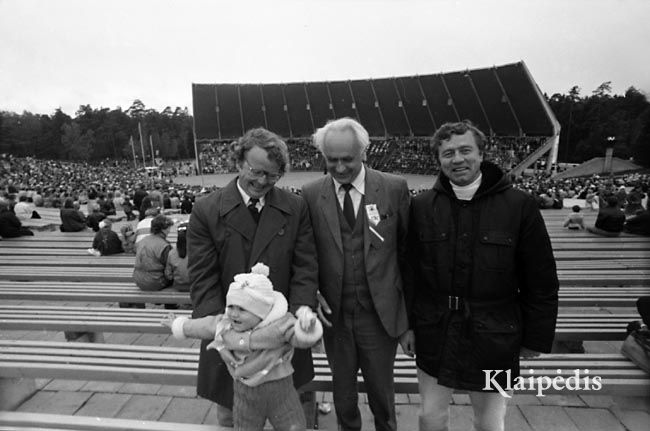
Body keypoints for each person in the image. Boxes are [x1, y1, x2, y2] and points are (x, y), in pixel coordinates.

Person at [405, 121, 559, 431]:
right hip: (435, 329)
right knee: (430, 417)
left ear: (481, 154)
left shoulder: (519, 205)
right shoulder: (421, 206)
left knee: (490, 421)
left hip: (496, 334)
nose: (457, 159)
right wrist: (406, 325)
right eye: (448, 153)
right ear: (438, 159)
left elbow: (540, 278)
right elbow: (410, 273)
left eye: (465, 150)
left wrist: (535, 338)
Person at [188, 127, 318, 426]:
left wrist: (297, 322)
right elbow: (202, 280)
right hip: (229, 336)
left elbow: (306, 269)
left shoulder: (295, 207)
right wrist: (223, 336)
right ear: (238, 162)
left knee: (295, 415)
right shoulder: (206, 210)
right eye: (255, 171)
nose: (262, 181)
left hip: (282, 336)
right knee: (231, 417)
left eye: (272, 176)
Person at [301, 117, 412, 431]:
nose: (338, 168)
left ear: (364, 151)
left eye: (346, 159)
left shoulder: (393, 187)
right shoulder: (310, 193)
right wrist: (311, 292)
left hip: (379, 316)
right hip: (335, 317)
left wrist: (407, 320)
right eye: (331, 160)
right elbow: (306, 254)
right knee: (343, 395)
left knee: (382, 393)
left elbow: (407, 255)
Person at [163, 263, 323, 431]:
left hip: (282, 394)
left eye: (242, 309)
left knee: (293, 426)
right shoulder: (225, 325)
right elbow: (204, 326)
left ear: (262, 312)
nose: (233, 313)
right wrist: (179, 324)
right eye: (231, 306)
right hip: (245, 396)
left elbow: (300, 339)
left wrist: (307, 327)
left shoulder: (281, 325)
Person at [133, 214, 173, 291]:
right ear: (163, 229)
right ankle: (169, 303)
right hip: (155, 281)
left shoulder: (143, 241)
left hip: (139, 279)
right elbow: (169, 270)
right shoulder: (164, 246)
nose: (169, 231)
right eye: (169, 228)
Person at [164, 221, 190, 292]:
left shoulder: (172, 252)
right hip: (196, 285)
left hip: (179, 285)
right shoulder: (199, 250)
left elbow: (168, 275)